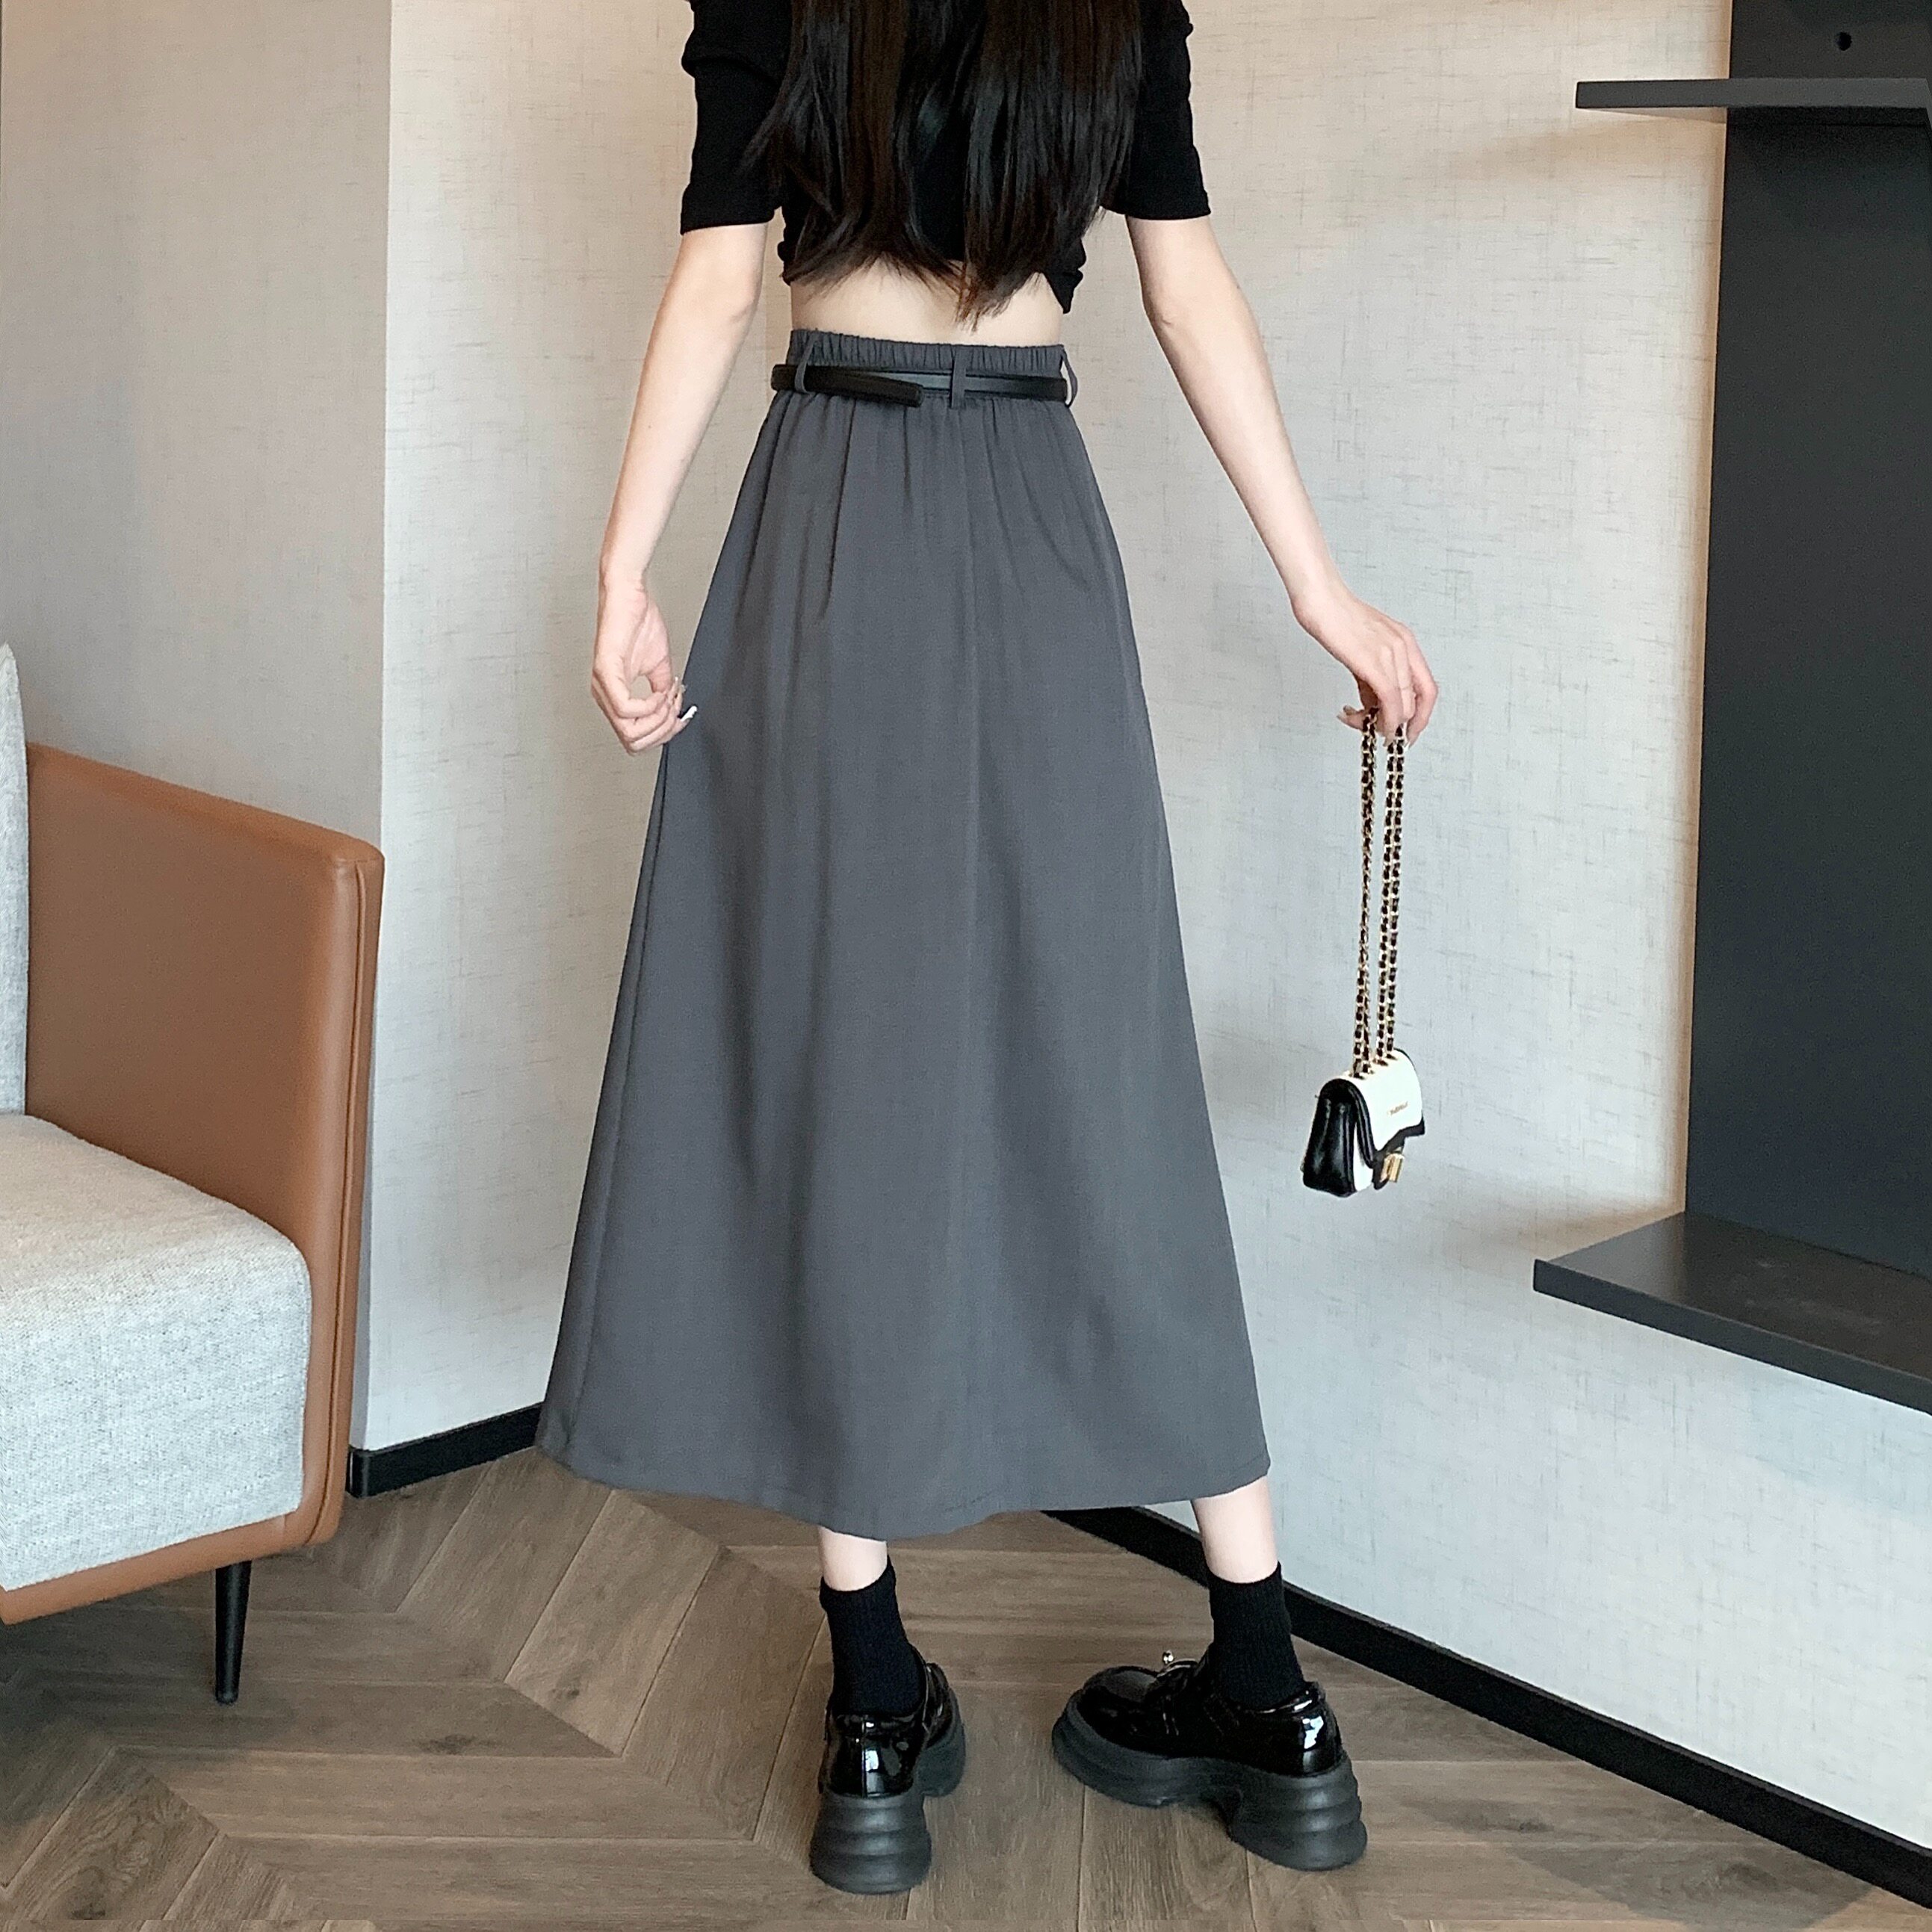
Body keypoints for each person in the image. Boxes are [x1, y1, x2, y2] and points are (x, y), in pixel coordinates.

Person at [536, 0, 1437, 1897]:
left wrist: (621, 571)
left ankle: (876, 1707)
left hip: (828, 516)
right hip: (1038, 518)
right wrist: (1320, 587)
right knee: (1109, 1087)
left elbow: (719, 281)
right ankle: (1272, 1690)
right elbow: (1186, 290)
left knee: (844, 1066)